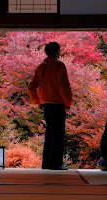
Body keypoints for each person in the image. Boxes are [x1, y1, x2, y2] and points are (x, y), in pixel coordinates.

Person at [28, 42, 72, 170]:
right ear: (57, 51)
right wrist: (67, 102)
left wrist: (38, 101)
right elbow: (64, 86)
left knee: (49, 134)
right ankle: (55, 164)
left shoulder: (41, 67)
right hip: (58, 105)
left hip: (46, 105)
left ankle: (46, 163)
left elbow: (31, 87)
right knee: (58, 135)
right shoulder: (59, 65)